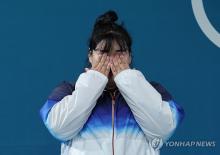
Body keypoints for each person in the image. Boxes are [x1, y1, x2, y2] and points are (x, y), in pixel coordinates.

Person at [39, 10, 184, 155]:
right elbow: (58, 128)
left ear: (129, 56)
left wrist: (128, 79)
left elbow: (163, 130)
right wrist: (94, 81)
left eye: (119, 52)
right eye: (103, 52)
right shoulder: (68, 90)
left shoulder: (153, 90)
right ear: (90, 56)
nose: (111, 60)